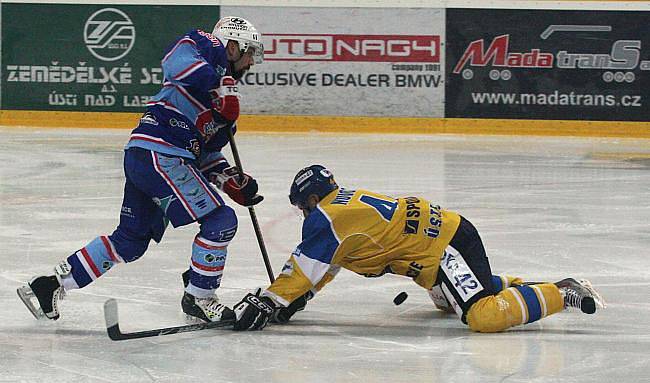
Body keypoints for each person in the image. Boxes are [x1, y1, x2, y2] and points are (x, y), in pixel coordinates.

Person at [17, 16, 265, 324]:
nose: (252, 62)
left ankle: (50, 285)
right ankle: (199, 297)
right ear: (232, 46)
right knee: (220, 221)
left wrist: (230, 180)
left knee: (130, 241)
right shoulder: (208, 46)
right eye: (250, 52)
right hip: (161, 154)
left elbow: (208, 155)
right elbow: (174, 62)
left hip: (150, 157)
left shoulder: (225, 104)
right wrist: (219, 83)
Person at [231, 165, 605, 332]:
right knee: (448, 301)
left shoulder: (324, 218)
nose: (302, 215)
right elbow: (327, 264)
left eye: (302, 207)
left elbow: (307, 264)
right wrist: (300, 296)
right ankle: (524, 287)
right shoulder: (343, 207)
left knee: (483, 317)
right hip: (441, 246)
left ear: (311, 198)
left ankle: (561, 292)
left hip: (444, 248)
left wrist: (272, 299)